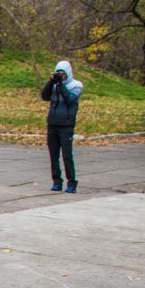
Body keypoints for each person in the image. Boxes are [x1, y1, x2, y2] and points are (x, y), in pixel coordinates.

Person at [41, 59, 83, 193]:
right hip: (52, 124)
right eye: (58, 72)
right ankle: (56, 181)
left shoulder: (76, 85)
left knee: (66, 155)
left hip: (66, 125)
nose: (61, 75)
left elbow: (70, 99)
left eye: (63, 73)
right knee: (53, 156)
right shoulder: (54, 85)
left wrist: (61, 84)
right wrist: (51, 82)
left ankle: (71, 182)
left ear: (68, 73)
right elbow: (44, 96)